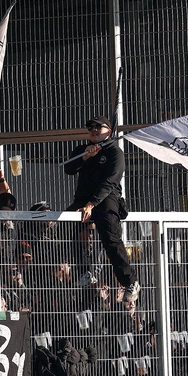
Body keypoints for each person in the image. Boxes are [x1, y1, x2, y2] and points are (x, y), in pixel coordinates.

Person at [63, 115, 140, 305]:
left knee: (110, 238)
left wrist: (92, 203)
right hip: (82, 199)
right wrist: (86, 156)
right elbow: (69, 168)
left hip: (106, 199)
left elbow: (110, 180)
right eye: (91, 127)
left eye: (99, 127)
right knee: (67, 226)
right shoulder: (83, 150)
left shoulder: (115, 152)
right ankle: (84, 272)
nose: (94, 130)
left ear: (109, 131)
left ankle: (129, 281)